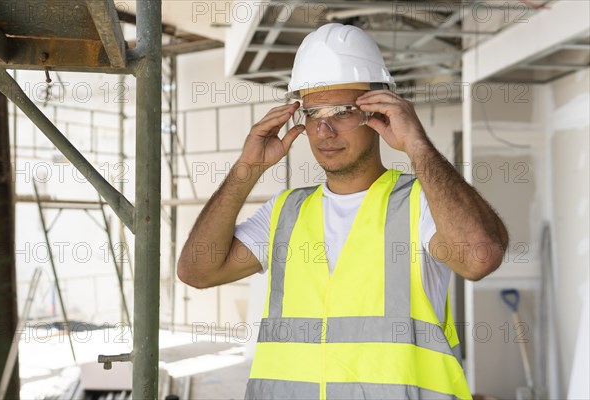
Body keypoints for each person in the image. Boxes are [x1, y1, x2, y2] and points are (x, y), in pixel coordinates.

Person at [178, 23, 508, 400]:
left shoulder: (422, 204)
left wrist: (416, 145)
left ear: (379, 111)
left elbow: (480, 258)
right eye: (314, 113)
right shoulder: (285, 212)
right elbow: (196, 272)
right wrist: (246, 169)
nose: (325, 129)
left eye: (342, 111)